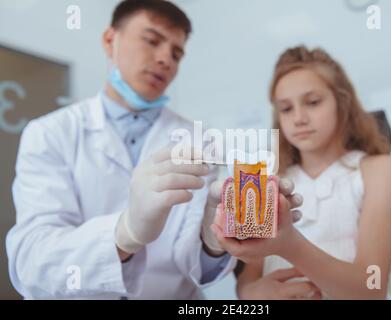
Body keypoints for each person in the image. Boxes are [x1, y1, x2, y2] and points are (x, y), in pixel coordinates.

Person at [6, 0, 241, 299]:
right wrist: (124, 234)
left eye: (176, 53)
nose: (165, 59)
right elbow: (32, 260)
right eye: (152, 40)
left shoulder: (199, 141)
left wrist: (212, 242)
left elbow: (194, 265)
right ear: (110, 40)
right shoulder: (49, 133)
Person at [211, 45, 391, 300]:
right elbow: (249, 279)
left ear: (342, 102)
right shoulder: (272, 182)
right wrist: (252, 292)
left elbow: (370, 289)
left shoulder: (379, 171)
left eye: (313, 102)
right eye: (286, 109)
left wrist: (289, 245)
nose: (299, 118)